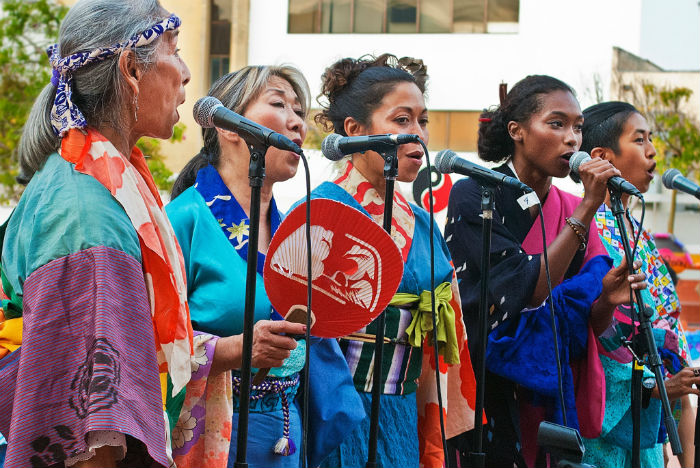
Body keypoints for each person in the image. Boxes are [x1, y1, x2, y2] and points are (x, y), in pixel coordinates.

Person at [0, 2, 295, 467]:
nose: (186, 73)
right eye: (174, 52)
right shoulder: (89, 214)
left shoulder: (91, 180)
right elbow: (91, 425)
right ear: (130, 69)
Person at [444, 75, 649, 467]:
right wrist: (587, 209)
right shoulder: (475, 194)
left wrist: (607, 297)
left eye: (577, 127)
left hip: (549, 394)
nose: (572, 139)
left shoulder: (571, 203)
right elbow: (527, 291)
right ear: (517, 131)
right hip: (485, 389)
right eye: (557, 124)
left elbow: (591, 322)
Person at [166, 65, 362, 468]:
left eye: (300, 111)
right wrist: (237, 349)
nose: (296, 122)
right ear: (229, 126)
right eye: (279, 104)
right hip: (207, 431)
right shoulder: (182, 219)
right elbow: (146, 340)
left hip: (287, 432)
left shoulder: (296, 232)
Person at [306, 53, 478, 468]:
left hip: (403, 404)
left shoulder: (422, 222)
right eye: (402, 120)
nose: (418, 134)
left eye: (423, 121)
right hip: (335, 405)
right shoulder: (320, 212)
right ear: (354, 131)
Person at [579, 101, 699, 468]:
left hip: (651, 416)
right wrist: (654, 384)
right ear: (602, 156)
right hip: (610, 423)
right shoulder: (587, 226)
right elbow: (595, 328)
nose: (652, 151)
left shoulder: (636, 228)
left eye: (652, 140)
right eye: (639, 139)